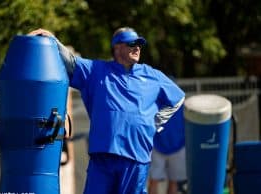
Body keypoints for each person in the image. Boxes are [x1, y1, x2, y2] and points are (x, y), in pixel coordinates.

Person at [29, 27, 185, 194]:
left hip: (137, 158)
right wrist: (52, 40)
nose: (137, 47)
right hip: (103, 157)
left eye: (139, 44)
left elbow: (178, 98)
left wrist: (154, 123)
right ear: (117, 47)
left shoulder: (153, 75)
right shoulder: (96, 70)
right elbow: (70, 60)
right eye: (132, 43)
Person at [148, 104, 187, 194]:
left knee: (172, 182)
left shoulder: (180, 99)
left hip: (177, 145)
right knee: (155, 181)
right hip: (157, 145)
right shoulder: (179, 98)